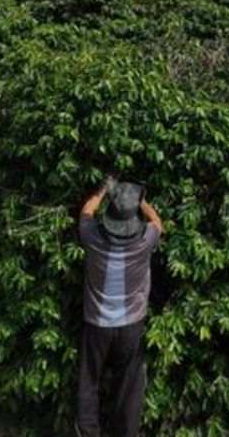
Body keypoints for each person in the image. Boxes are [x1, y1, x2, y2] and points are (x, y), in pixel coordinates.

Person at [75, 177, 164, 437]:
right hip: (130, 326)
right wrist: (141, 201)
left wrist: (103, 190)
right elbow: (158, 222)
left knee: (88, 381)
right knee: (129, 386)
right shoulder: (145, 240)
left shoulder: (91, 236)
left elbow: (86, 211)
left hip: (97, 325)